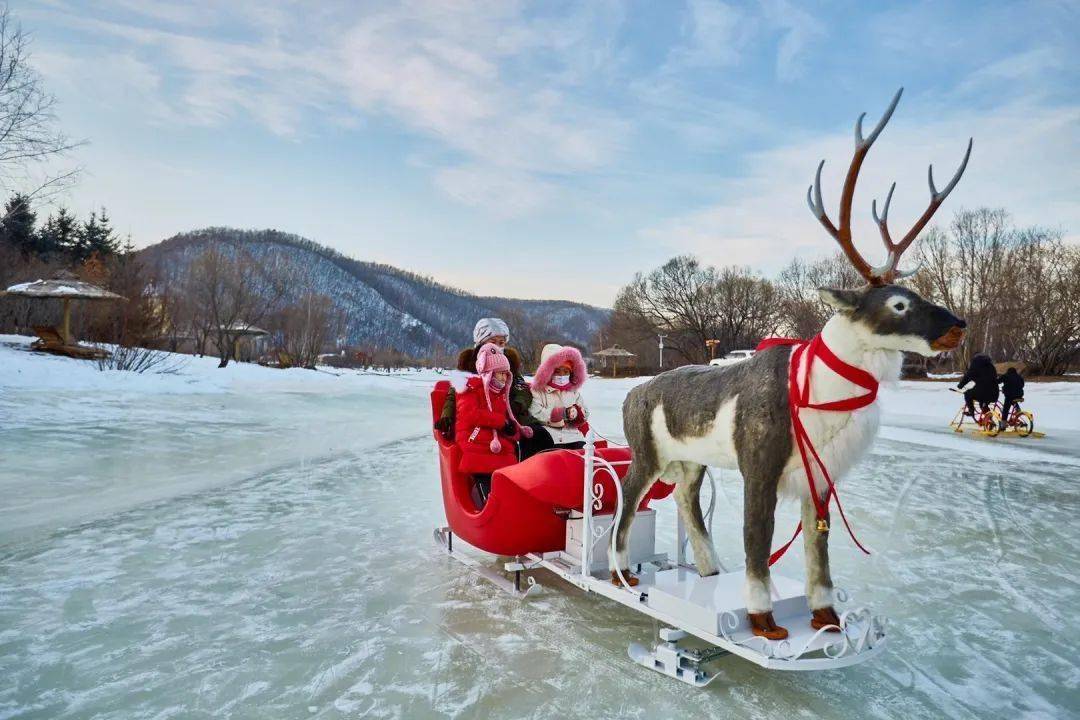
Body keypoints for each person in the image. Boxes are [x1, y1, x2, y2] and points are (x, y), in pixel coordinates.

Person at [454, 343, 532, 508]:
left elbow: (504, 419)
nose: (504, 378)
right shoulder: (471, 389)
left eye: (506, 374)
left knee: (510, 468)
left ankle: (509, 507)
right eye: (500, 374)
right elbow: (470, 414)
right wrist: (501, 423)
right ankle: (488, 505)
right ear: (489, 373)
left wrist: (512, 430)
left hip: (493, 442)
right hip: (474, 440)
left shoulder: (499, 394)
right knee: (486, 471)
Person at [434, 318, 532, 438]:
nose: (497, 347)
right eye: (492, 342)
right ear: (481, 343)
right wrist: (447, 416)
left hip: (509, 417)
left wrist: (515, 406)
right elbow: (455, 393)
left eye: (501, 343)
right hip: (480, 421)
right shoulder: (469, 362)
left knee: (537, 435)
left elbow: (522, 389)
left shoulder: (508, 362)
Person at [519, 343, 590, 460]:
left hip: (574, 436)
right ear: (548, 372)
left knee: (583, 459)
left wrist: (578, 414)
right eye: (557, 371)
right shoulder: (537, 391)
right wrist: (561, 414)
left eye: (566, 371)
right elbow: (537, 413)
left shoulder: (573, 392)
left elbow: (585, 412)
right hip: (549, 436)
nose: (562, 375)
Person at [957, 353, 999, 418]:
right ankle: (988, 420)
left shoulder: (975, 365)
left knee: (967, 394)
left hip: (982, 391)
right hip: (994, 392)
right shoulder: (991, 366)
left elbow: (968, 376)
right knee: (983, 404)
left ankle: (971, 411)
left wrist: (961, 385)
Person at [997, 367, 1025, 431]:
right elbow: (1022, 385)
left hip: (1009, 395)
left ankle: (1003, 425)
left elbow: (997, 381)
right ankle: (1017, 408)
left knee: (1005, 409)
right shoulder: (1019, 377)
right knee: (1012, 400)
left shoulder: (1005, 376)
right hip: (1019, 395)